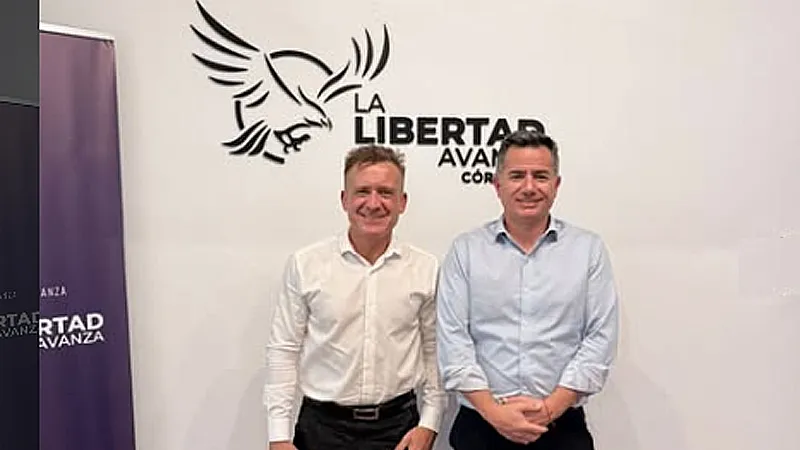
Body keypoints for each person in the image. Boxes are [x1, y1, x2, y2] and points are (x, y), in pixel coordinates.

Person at [435, 129, 620, 449]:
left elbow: (600, 338)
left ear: (556, 185)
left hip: (561, 428)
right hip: (480, 427)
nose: (530, 187)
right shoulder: (466, 251)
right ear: (497, 185)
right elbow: (453, 340)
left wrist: (549, 409)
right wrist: (495, 413)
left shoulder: (588, 250)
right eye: (517, 175)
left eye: (541, 176)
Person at [264, 145, 446, 450]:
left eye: (385, 192)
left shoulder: (425, 268)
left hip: (399, 429)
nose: (373, 203)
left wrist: (430, 422)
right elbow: (284, 348)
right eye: (362, 191)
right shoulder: (306, 264)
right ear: (344, 199)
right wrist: (278, 435)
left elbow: (435, 349)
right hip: (322, 429)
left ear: (402, 202)